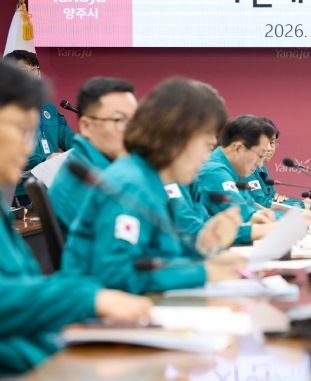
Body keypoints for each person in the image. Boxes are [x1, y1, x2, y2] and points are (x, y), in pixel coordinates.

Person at [0, 62, 151, 375]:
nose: (28, 147)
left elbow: (24, 290)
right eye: (19, 129)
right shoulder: (92, 177)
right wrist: (88, 299)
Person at [61, 77, 243, 294]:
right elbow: (115, 274)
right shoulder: (131, 184)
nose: (206, 157)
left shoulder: (150, 179)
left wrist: (204, 245)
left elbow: (160, 253)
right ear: (176, 137)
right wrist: (202, 272)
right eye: (205, 145)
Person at [49, 77, 137, 234]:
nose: (132, 131)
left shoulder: (113, 166)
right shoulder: (82, 182)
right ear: (86, 126)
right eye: (119, 120)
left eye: (134, 121)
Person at [3, 50, 74, 207]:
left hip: (51, 188)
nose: (31, 75)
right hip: (18, 192)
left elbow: (69, 138)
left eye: (34, 70)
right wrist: (44, 160)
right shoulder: (6, 112)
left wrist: (82, 149)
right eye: (24, 71)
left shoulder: (48, 108)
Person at [192, 115, 277, 245]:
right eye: (260, 155)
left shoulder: (234, 171)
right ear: (238, 148)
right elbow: (244, 216)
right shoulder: (214, 172)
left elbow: (252, 211)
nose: (260, 164)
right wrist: (289, 222)